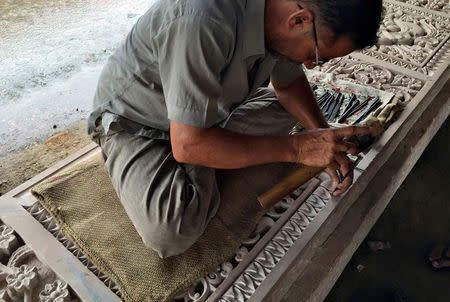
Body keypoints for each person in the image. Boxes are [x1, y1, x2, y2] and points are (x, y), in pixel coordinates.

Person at [88, 0, 383, 258]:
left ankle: (210, 140)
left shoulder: (278, 16)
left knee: (291, 112)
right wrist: (298, 148)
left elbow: (289, 84)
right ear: (299, 20)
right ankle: (207, 145)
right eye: (318, 56)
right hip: (138, 122)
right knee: (170, 231)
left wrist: (323, 138)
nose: (313, 65)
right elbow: (187, 145)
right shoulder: (203, 19)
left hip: (211, 109)